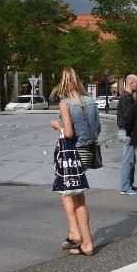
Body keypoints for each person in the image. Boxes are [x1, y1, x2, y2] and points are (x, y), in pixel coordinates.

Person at [50, 67, 100, 256]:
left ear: (62, 84)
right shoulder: (91, 101)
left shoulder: (65, 104)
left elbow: (69, 133)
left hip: (73, 155)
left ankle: (85, 242)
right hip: (88, 152)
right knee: (68, 192)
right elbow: (98, 128)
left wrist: (57, 126)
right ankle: (75, 232)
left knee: (77, 199)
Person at [117, 74, 137, 195]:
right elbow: (127, 117)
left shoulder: (127, 96)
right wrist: (131, 132)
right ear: (131, 83)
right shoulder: (127, 97)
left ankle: (129, 185)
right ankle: (125, 187)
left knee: (130, 159)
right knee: (128, 160)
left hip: (125, 131)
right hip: (126, 132)